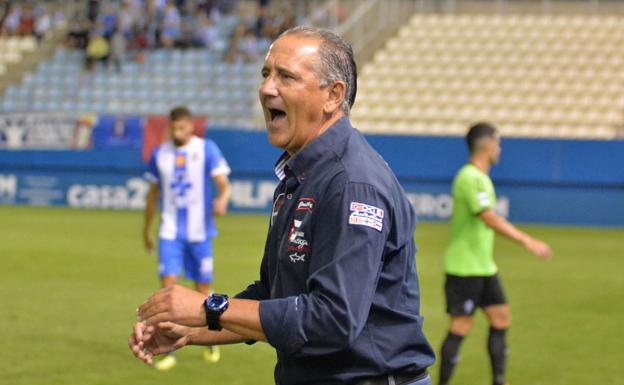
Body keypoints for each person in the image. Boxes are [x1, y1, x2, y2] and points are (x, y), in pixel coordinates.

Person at [129, 26, 435, 385]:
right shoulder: (301, 176)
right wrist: (192, 328)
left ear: (333, 95)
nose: (266, 88)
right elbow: (275, 296)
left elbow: (332, 320)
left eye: (285, 76)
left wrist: (206, 306)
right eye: (265, 74)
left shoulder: (351, 184)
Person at [438, 122, 553, 385]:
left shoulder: (481, 177)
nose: (500, 149)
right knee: (462, 325)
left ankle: (499, 381)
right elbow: (489, 218)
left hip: (483, 266)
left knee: (501, 316)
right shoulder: (469, 177)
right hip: (464, 267)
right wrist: (527, 241)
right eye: (498, 143)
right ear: (488, 143)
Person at [142, 106, 232, 370]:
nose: (178, 132)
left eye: (182, 128)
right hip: (169, 232)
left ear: (191, 126)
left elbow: (223, 183)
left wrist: (223, 198)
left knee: (202, 289)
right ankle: (167, 349)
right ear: (169, 127)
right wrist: (146, 229)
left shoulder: (206, 149)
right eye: (174, 128)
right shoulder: (160, 154)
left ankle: (211, 337)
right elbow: (152, 195)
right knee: (168, 291)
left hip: (199, 232)